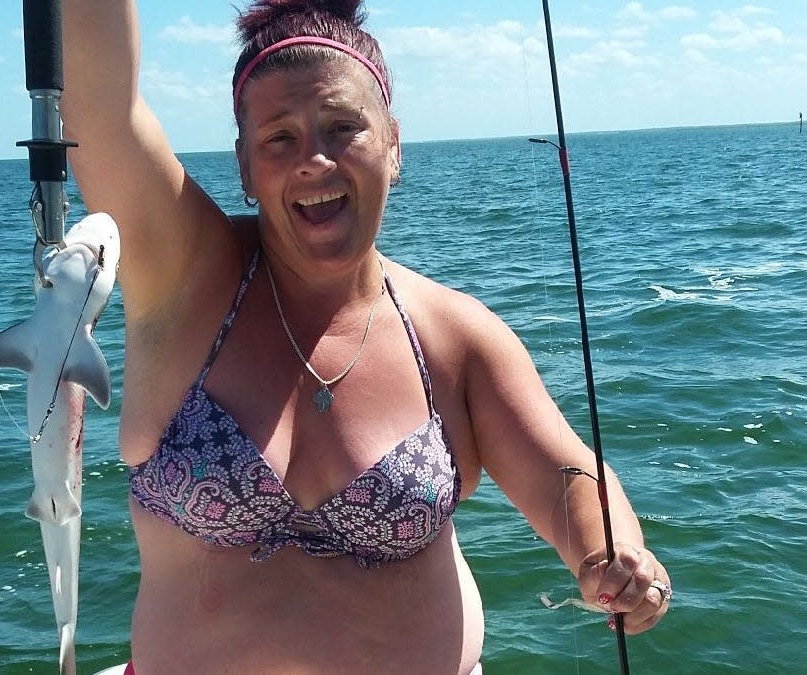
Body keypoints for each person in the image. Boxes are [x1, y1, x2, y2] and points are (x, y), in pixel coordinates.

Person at [62, 1, 671, 673]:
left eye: (343, 127)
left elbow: (566, 473)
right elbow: (102, 110)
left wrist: (607, 553)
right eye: (279, 138)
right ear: (243, 164)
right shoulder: (186, 280)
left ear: (393, 143)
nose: (314, 159)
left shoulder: (454, 337)